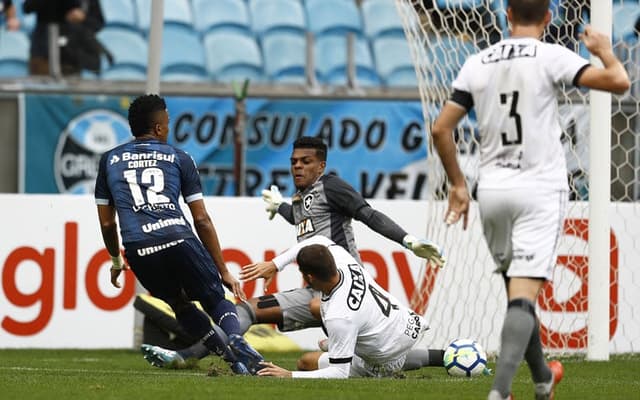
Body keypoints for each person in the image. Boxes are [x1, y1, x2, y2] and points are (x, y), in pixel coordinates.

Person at [430, 1, 630, 399]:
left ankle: (542, 379)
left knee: (516, 294)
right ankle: (500, 391)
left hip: (493, 190)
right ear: (548, 18)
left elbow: (440, 129)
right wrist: (603, 49)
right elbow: (619, 81)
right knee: (522, 296)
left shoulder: (478, 61)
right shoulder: (553, 55)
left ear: (505, 15)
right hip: (539, 189)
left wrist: (457, 184)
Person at [140, 136, 446, 371]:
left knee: (376, 357)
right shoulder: (302, 197)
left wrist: (408, 240)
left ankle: (188, 355)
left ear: (321, 166)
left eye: (306, 161)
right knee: (248, 310)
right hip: (316, 292)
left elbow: (368, 214)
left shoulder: (332, 186)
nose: (297, 166)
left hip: (342, 289)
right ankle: (189, 357)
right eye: (294, 161)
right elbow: (307, 224)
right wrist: (282, 208)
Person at [95, 94, 266, 375]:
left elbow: (106, 225)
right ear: (160, 128)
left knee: (179, 304)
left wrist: (116, 261)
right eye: (168, 122)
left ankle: (233, 362)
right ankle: (235, 336)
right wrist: (222, 269)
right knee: (215, 299)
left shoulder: (109, 160)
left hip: (138, 246)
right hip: (178, 237)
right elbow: (201, 218)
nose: (169, 127)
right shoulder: (179, 157)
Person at [244, 235, 430, 378]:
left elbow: (339, 373)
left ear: (309, 278)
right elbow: (317, 239)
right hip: (410, 323)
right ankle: (441, 356)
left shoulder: (339, 316)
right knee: (316, 306)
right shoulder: (344, 261)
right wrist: (276, 264)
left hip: (386, 356)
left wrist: (290, 375)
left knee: (306, 362)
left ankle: (423, 358)